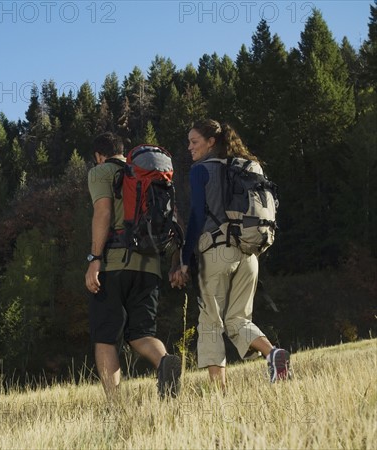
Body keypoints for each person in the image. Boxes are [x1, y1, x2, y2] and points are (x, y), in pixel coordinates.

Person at [169, 119, 291, 390]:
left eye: (194, 142)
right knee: (239, 320)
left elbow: (198, 217)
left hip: (216, 254)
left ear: (211, 142)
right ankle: (273, 354)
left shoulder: (201, 170)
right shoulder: (242, 168)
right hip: (248, 254)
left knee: (211, 323)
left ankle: (219, 393)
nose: (189, 148)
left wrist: (186, 261)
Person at [85, 131, 181, 400]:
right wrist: (176, 261)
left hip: (113, 265)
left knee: (105, 338)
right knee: (141, 333)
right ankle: (164, 361)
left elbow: (102, 212)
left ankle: (115, 404)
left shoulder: (101, 172)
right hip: (149, 265)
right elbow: (173, 219)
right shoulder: (149, 176)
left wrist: (94, 260)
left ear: (99, 156)